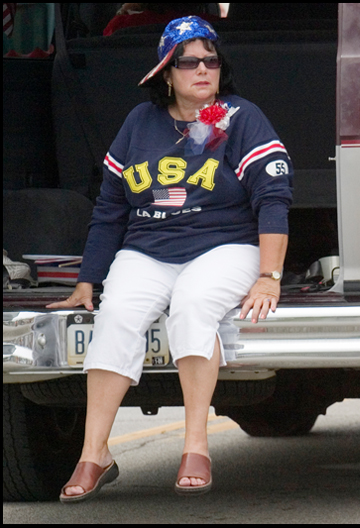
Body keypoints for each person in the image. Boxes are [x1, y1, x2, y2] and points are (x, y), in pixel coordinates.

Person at [49, 16, 293, 502]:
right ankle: (94, 454)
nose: (203, 69)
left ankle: (196, 445)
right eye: (189, 61)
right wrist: (88, 279)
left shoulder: (241, 117)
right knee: (116, 315)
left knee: (192, 304)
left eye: (212, 60)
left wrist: (269, 276)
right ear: (166, 72)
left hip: (225, 246)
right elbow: (111, 206)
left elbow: (273, 198)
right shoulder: (140, 122)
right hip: (149, 248)